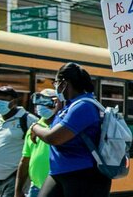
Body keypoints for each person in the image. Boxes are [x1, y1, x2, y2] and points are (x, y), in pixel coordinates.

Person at [29, 63, 111, 197]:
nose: (55, 87)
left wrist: (34, 127)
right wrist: (58, 108)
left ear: (64, 83)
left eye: (56, 83)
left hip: (82, 175)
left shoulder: (84, 106)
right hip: (60, 171)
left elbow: (53, 137)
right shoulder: (69, 106)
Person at [0, 86, 39, 197]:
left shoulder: (28, 119)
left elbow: (37, 148)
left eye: (3, 100)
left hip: (13, 179)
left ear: (14, 101)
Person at [15, 89, 58, 197]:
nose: (41, 105)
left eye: (46, 102)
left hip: (57, 188)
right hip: (35, 187)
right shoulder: (34, 128)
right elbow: (25, 159)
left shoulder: (62, 127)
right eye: (38, 101)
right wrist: (18, 190)